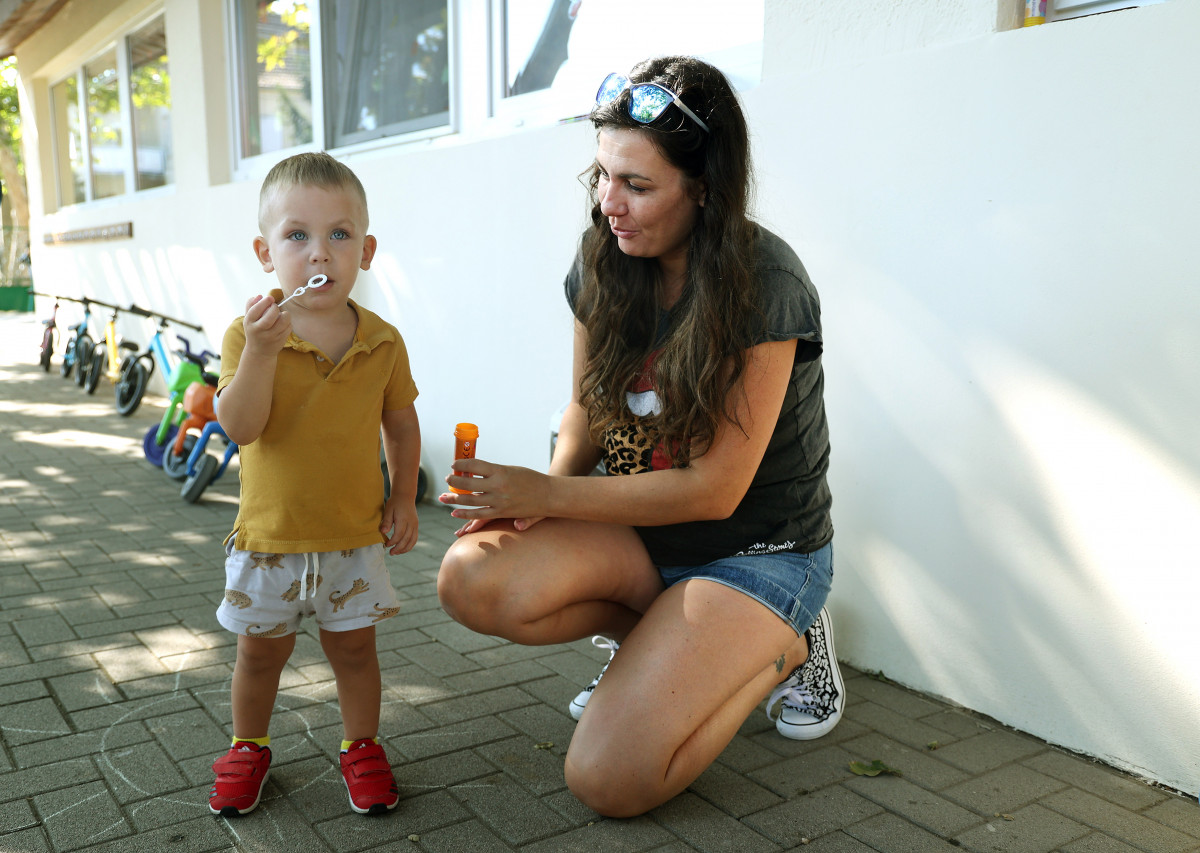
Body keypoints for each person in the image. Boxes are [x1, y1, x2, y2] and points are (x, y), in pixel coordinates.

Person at [436, 56, 843, 818]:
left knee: (608, 779)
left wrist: (550, 492)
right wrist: (543, 495)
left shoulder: (767, 281)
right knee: (470, 575)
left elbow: (715, 490)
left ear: (704, 188)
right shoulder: (605, 257)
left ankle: (785, 647)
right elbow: (587, 409)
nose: (608, 203)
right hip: (646, 539)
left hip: (758, 552)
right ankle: (664, 654)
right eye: (601, 175)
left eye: (637, 185)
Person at [208, 152, 422, 818]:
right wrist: (263, 352)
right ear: (265, 253)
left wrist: (404, 496)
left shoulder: (383, 341)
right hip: (268, 541)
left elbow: (401, 424)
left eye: (339, 234)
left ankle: (361, 745)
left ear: (366, 251)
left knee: (356, 651)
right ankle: (248, 745)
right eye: (297, 235)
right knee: (258, 655)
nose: (319, 252)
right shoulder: (249, 335)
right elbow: (239, 426)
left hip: (353, 538)